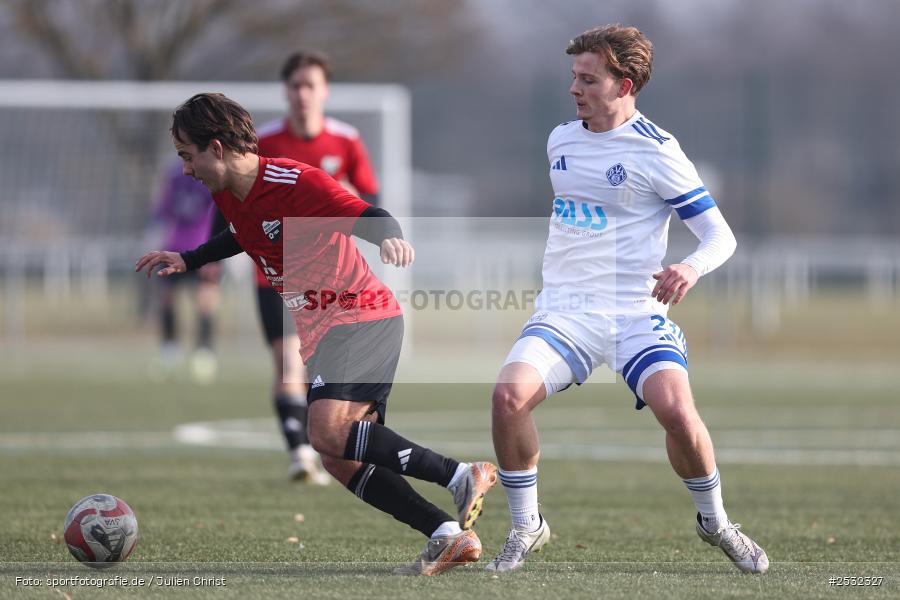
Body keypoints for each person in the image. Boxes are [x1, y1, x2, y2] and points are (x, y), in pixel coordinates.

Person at [135, 92, 497, 576]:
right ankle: (447, 534)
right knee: (338, 457)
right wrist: (190, 258)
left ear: (217, 148)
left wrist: (389, 235)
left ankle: (459, 475)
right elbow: (243, 234)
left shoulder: (296, 180)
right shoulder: (226, 191)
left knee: (324, 431)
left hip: (360, 317)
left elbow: (364, 212)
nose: (185, 169)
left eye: (188, 155)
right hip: (326, 329)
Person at [486, 25, 768, 574]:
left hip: (636, 312)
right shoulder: (560, 140)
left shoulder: (659, 152)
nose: (575, 88)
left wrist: (688, 266)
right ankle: (527, 525)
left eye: (589, 79)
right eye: (574, 76)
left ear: (626, 84)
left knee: (677, 413)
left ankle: (716, 523)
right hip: (566, 310)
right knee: (506, 397)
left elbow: (720, 236)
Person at [251, 50, 380, 483]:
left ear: (324, 90)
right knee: (287, 362)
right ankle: (300, 453)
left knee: (321, 365)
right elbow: (236, 195)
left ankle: (319, 442)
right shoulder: (264, 142)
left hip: (329, 277)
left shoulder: (345, 140)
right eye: (295, 86)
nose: (303, 94)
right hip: (274, 273)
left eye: (311, 85)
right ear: (285, 91)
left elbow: (369, 200)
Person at [148, 160, 223, 384]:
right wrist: (154, 235)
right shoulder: (173, 176)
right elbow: (163, 210)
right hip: (174, 248)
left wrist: (217, 252)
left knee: (205, 300)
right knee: (167, 300)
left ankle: (205, 352)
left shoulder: (209, 176)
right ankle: (169, 349)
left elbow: (220, 212)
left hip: (204, 249)